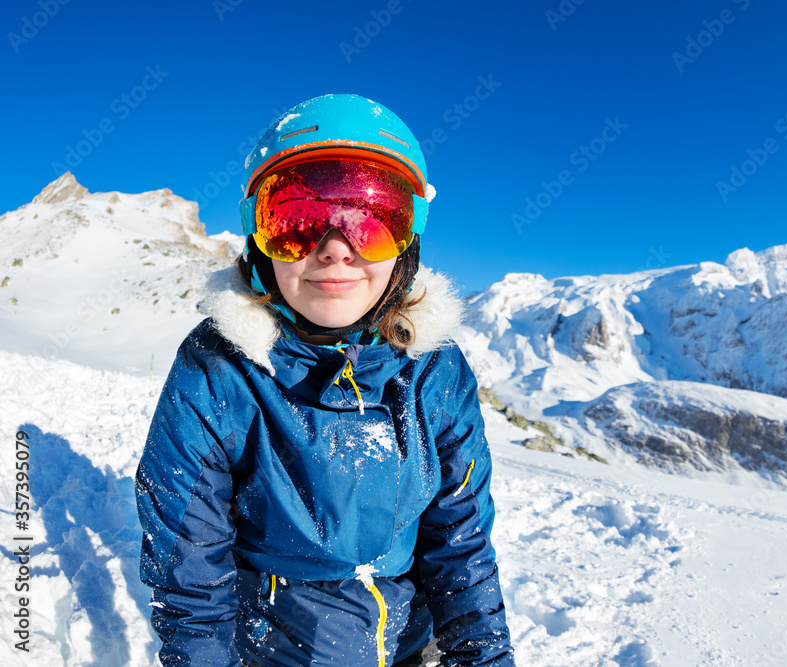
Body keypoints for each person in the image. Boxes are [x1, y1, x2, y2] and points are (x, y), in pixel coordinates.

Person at [135, 94, 515, 666]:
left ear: (408, 242)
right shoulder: (219, 369)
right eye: (295, 222)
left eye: (372, 222)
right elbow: (191, 570)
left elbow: (458, 546)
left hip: (405, 644)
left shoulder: (434, 369)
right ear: (256, 238)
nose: (336, 249)